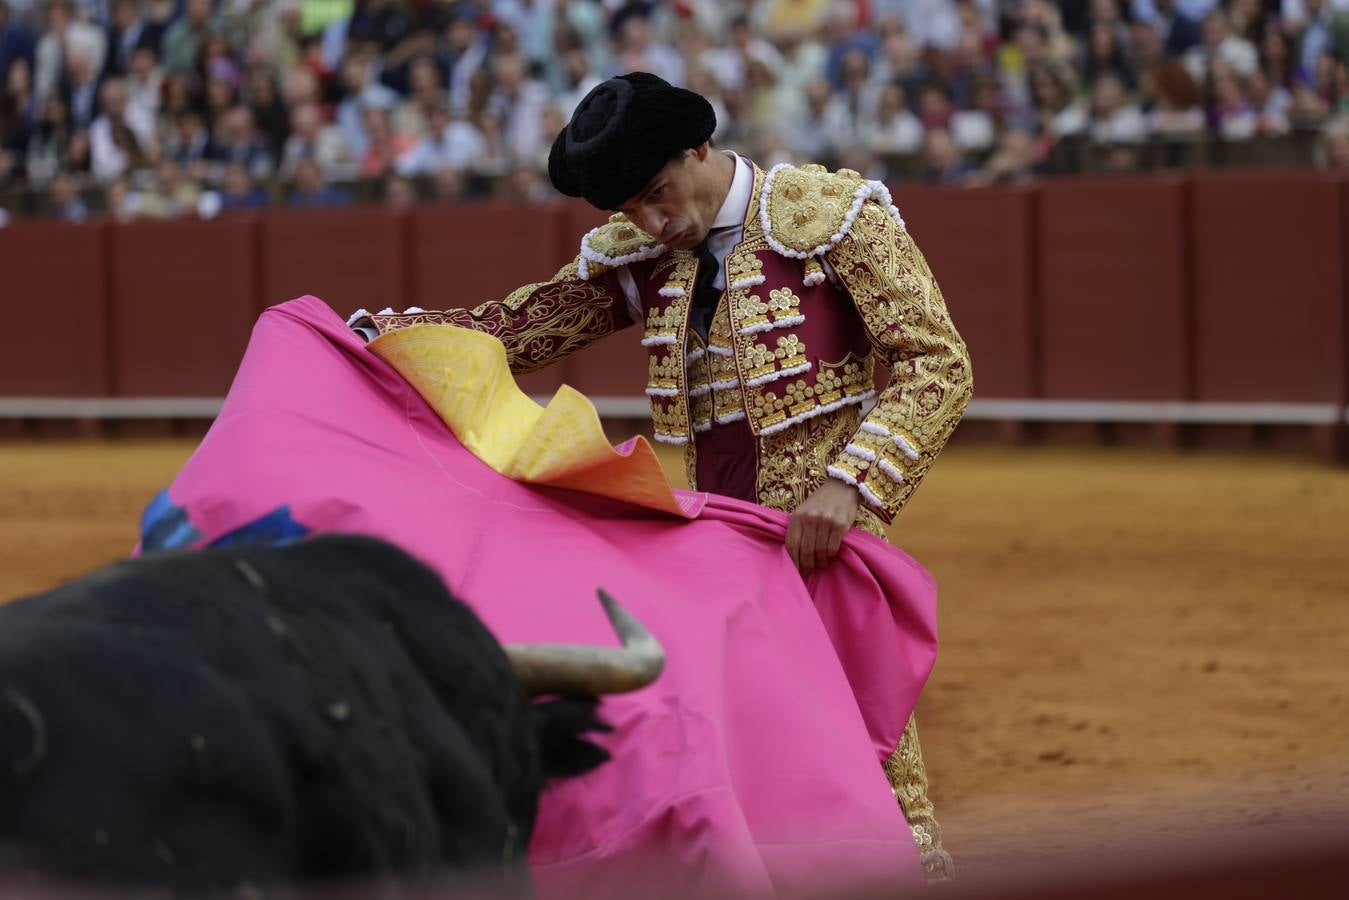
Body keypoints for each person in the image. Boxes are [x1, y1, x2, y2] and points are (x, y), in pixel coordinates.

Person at [351, 72, 972, 880]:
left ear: (700, 148)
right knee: (734, 719)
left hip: (822, 527)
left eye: (658, 192)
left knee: (860, 725)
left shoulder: (830, 218)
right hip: (713, 530)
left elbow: (938, 362)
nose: (652, 220)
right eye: (630, 211)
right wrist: (391, 334)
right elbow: (522, 327)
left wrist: (851, 484)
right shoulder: (644, 253)